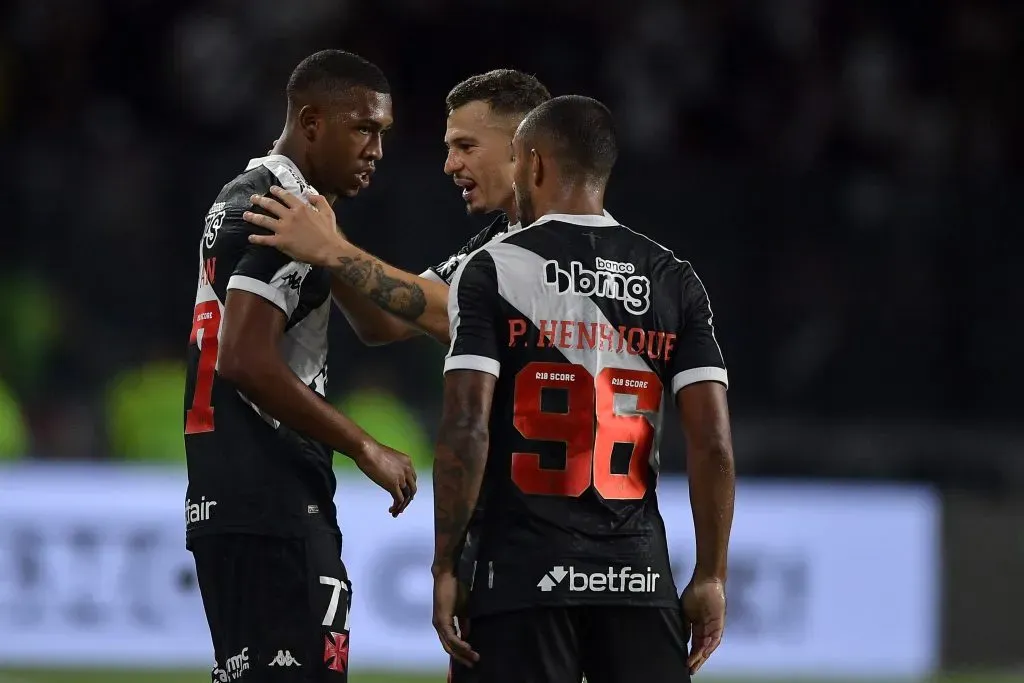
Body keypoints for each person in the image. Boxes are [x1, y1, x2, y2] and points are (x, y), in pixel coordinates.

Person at [430, 95, 736, 683]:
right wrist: (712, 574)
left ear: (534, 165)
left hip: (521, 576)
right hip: (638, 578)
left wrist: (447, 563)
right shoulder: (674, 278)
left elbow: (466, 427)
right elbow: (714, 445)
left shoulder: (493, 266)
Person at [183, 49, 417, 683]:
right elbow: (244, 358)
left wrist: (335, 250)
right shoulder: (279, 209)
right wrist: (364, 446)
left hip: (235, 495)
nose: (376, 149)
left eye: (383, 133)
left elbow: (378, 325)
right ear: (312, 121)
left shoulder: (256, 196)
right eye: (363, 127)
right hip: (270, 497)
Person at [242, 69, 552, 345]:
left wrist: (332, 249)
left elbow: (457, 315)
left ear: (522, 148)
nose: (449, 165)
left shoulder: (563, 238)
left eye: (466, 146)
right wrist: (323, 236)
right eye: (449, 148)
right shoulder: (494, 241)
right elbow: (387, 322)